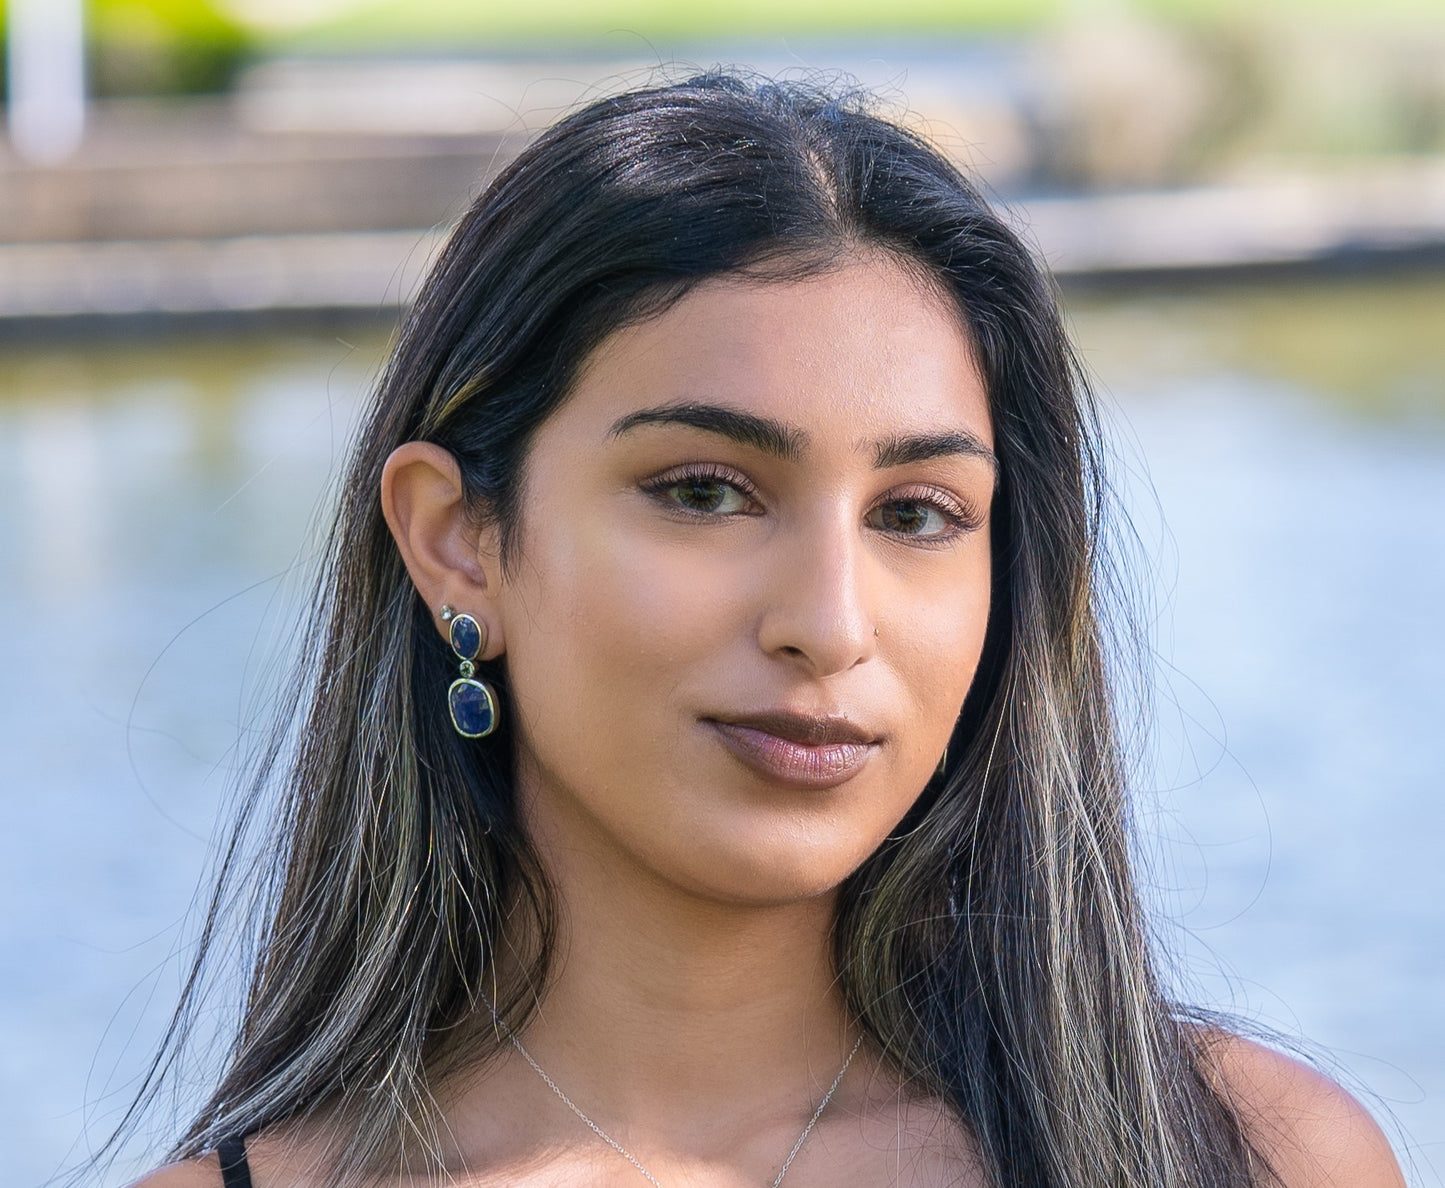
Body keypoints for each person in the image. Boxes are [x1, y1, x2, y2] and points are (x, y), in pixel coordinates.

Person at [126, 72, 1404, 1187]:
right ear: (458, 540)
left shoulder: (1250, 1159)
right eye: (702, 492)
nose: (829, 625)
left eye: (915, 512)